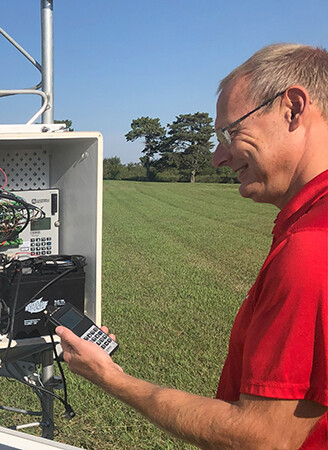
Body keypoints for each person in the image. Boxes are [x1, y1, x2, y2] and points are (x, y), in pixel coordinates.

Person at [56, 43, 328, 448]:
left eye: (229, 132)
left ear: (292, 108)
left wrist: (110, 377)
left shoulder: (310, 250)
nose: (218, 157)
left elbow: (264, 438)